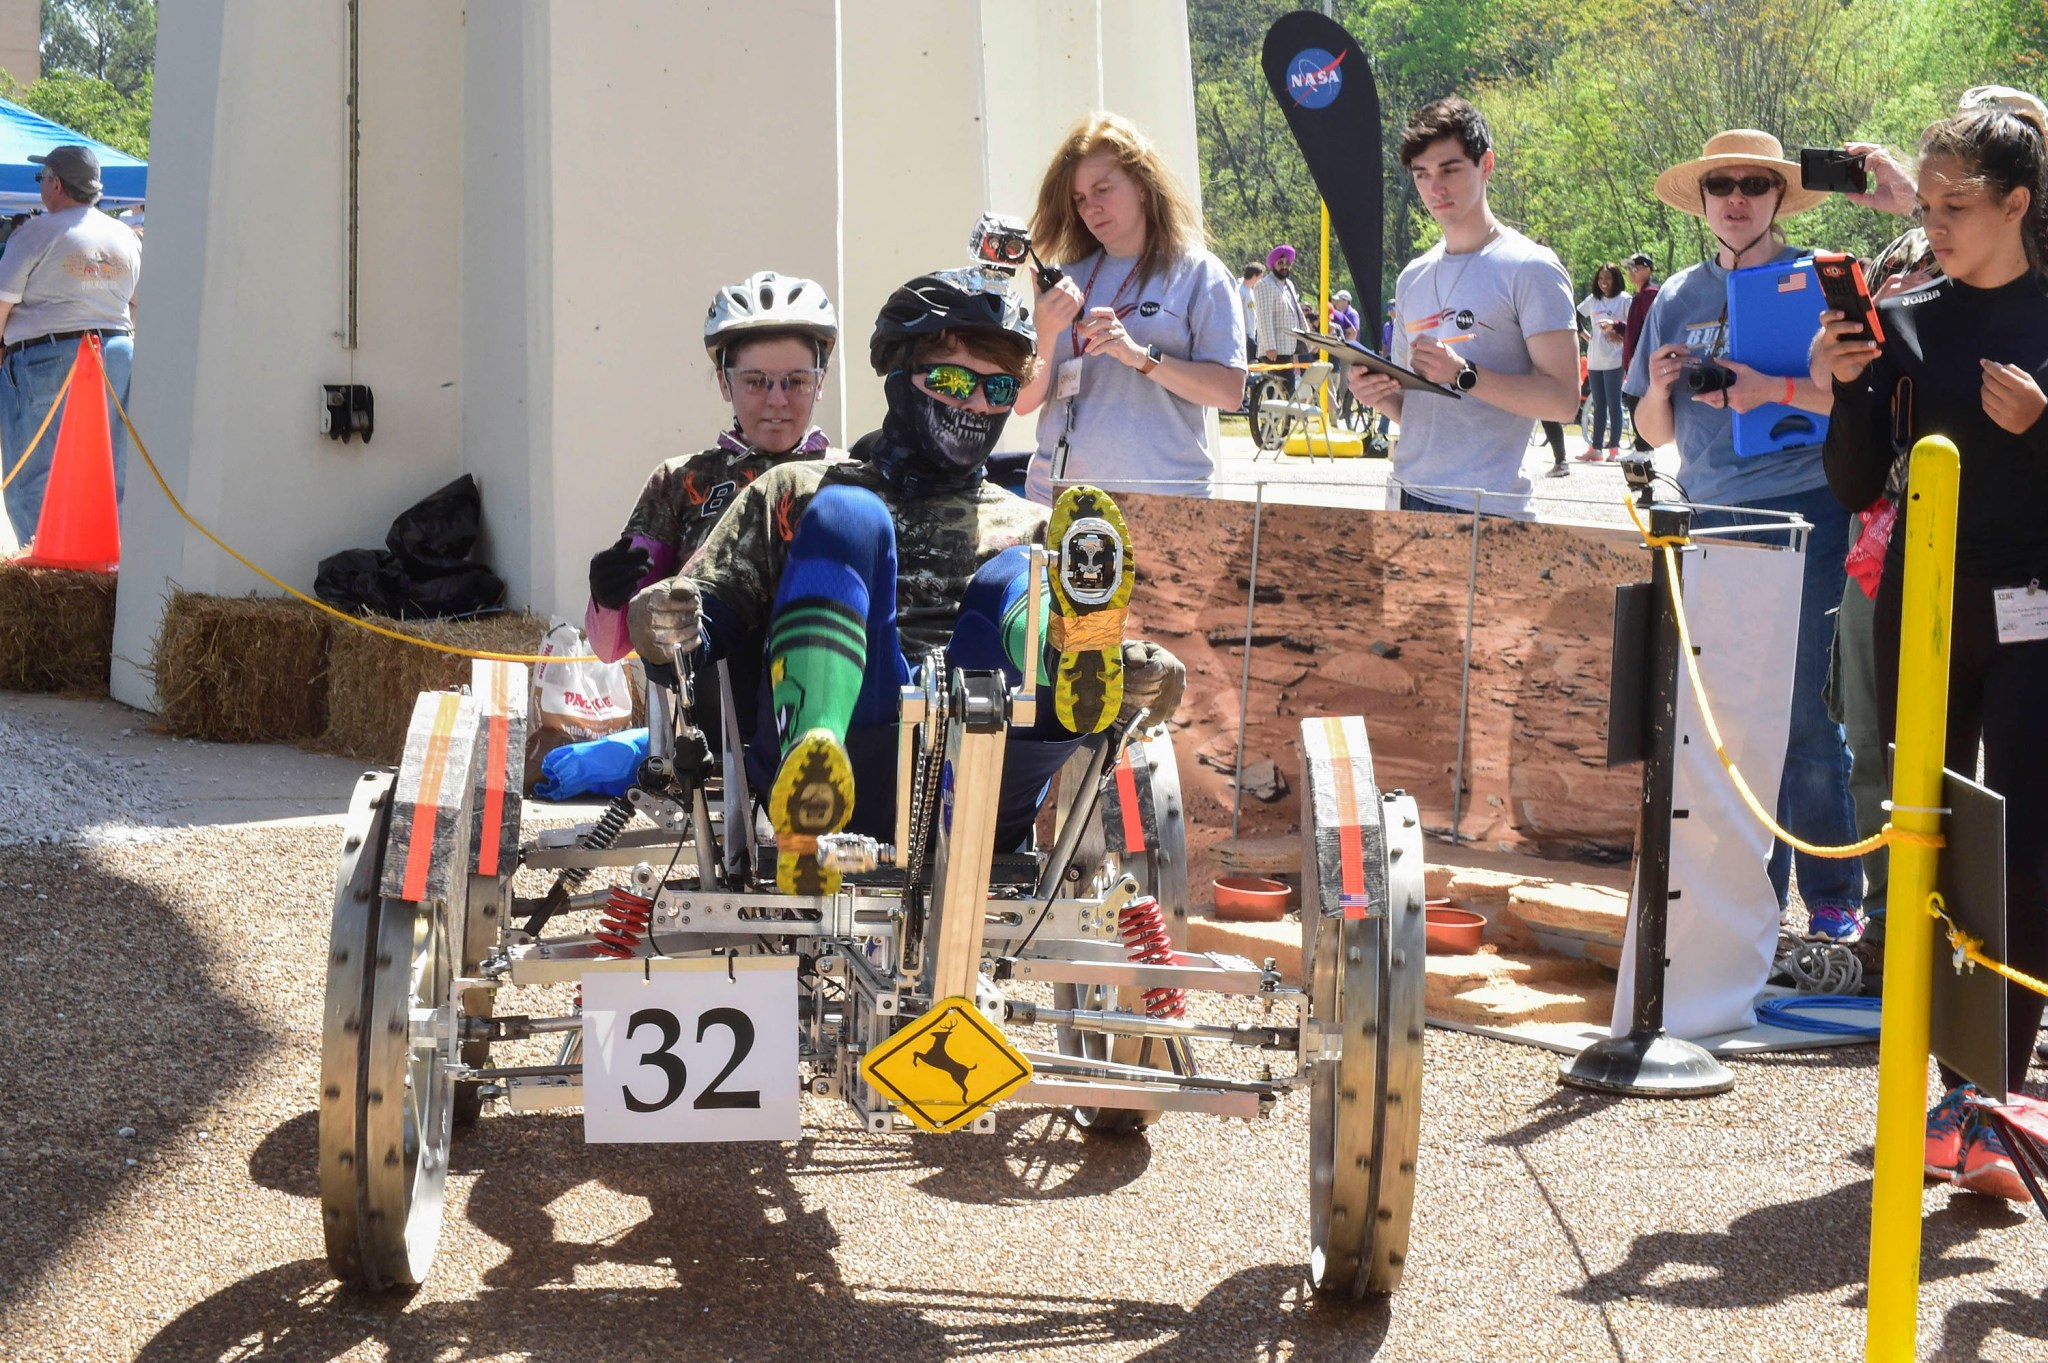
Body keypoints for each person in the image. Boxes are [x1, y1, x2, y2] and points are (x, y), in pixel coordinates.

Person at [627, 269, 1185, 894]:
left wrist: (1146, 676)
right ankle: (814, 762)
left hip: (992, 755)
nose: (975, 403)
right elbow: (706, 623)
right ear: (898, 379)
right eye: (951, 379)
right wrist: (669, 618)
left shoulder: (1040, 526)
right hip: (860, 742)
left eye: (998, 388)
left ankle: (1081, 654)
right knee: (848, 514)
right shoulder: (795, 491)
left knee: (1024, 567)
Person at [1816, 102, 2048, 1201]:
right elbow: (1857, 486)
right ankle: (1948, 1085)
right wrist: (1845, 386)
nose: (1937, 222)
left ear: (2016, 203)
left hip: (2035, 612)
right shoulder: (1905, 317)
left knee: (2030, 844)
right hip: (1924, 610)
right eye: (1926, 200)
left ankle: (2004, 1084)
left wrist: (2039, 432)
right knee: (1928, 840)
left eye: (1959, 205)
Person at [1627, 129, 1864, 942]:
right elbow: (1653, 430)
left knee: (1802, 707)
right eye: (1720, 184)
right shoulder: (1677, 296)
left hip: (1808, 510)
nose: (1735, 198)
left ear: (1776, 197)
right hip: (1709, 516)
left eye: (1753, 185)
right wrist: (1659, 389)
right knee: (1727, 717)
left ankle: (1834, 895)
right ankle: (1752, 894)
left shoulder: (1818, 282)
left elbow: (1856, 409)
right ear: (1701, 199)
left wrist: (1771, 389)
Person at [585, 271, 840, 662]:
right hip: (714, 706)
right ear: (724, 383)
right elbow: (611, 647)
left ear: (821, 382)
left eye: (797, 380)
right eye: (756, 382)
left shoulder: (850, 475)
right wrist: (606, 597)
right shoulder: (679, 481)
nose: (777, 400)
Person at [1347, 97, 1578, 515]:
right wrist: (1376, 395)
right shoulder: (1413, 276)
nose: (1435, 188)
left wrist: (1465, 375)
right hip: (1406, 495)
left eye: (1450, 170)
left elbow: (1563, 401)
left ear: (1485, 165)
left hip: (1486, 508)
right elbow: (1416, 411)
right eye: (1422, 174)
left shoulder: (1530, 267)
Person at [1013, 113, 1246, 503]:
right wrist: (1046, 332)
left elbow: (1229, 393)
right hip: (1057, 501)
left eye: (1103, 190)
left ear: (1141, 185)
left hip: (1163, 504)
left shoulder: (1199, 274)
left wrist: (1141, 357)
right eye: (1080, 200)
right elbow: (1022, 402)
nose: (1091, 209)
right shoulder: (1065, 279)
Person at [0, 145, 140, 545]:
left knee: (32, 474)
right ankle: (112, 567)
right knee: (112, 470)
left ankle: (46, 570)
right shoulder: (124, 235)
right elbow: (140, 302)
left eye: (41, 178)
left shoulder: (36, 233)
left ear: (56, 184)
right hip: (117, 353)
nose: (41, 185)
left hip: (46, 358)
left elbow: (2, 303)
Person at [1575, 263, 1630, 461]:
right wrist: (1584, 334)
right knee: (1599, 404)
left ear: (1616, 279)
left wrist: (1620, 334)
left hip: (1615, 359)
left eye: (1607, 278)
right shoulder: (1594, 300)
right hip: (1594, 358)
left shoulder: (1624, 300)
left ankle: (1614, 448)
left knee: (1613, 403)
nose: (1603, 283)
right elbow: (1575, 316)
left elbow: (1635, 324)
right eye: (1600, 279)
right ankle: (1595, 448)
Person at [1618, 251, 1659, 452]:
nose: (1630, 272)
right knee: (1632, 402)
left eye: (1635, 268)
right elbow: (1636, 330)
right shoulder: (1640, 295)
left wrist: (1640, 358)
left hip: (1643, 362)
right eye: (1628, 268)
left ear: (1647, 270)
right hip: (1635, 361)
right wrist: (1617, 327)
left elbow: (1652, 331)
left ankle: (1644, 453)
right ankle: (1642, 449)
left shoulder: (1650, 295)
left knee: (1637, 404)